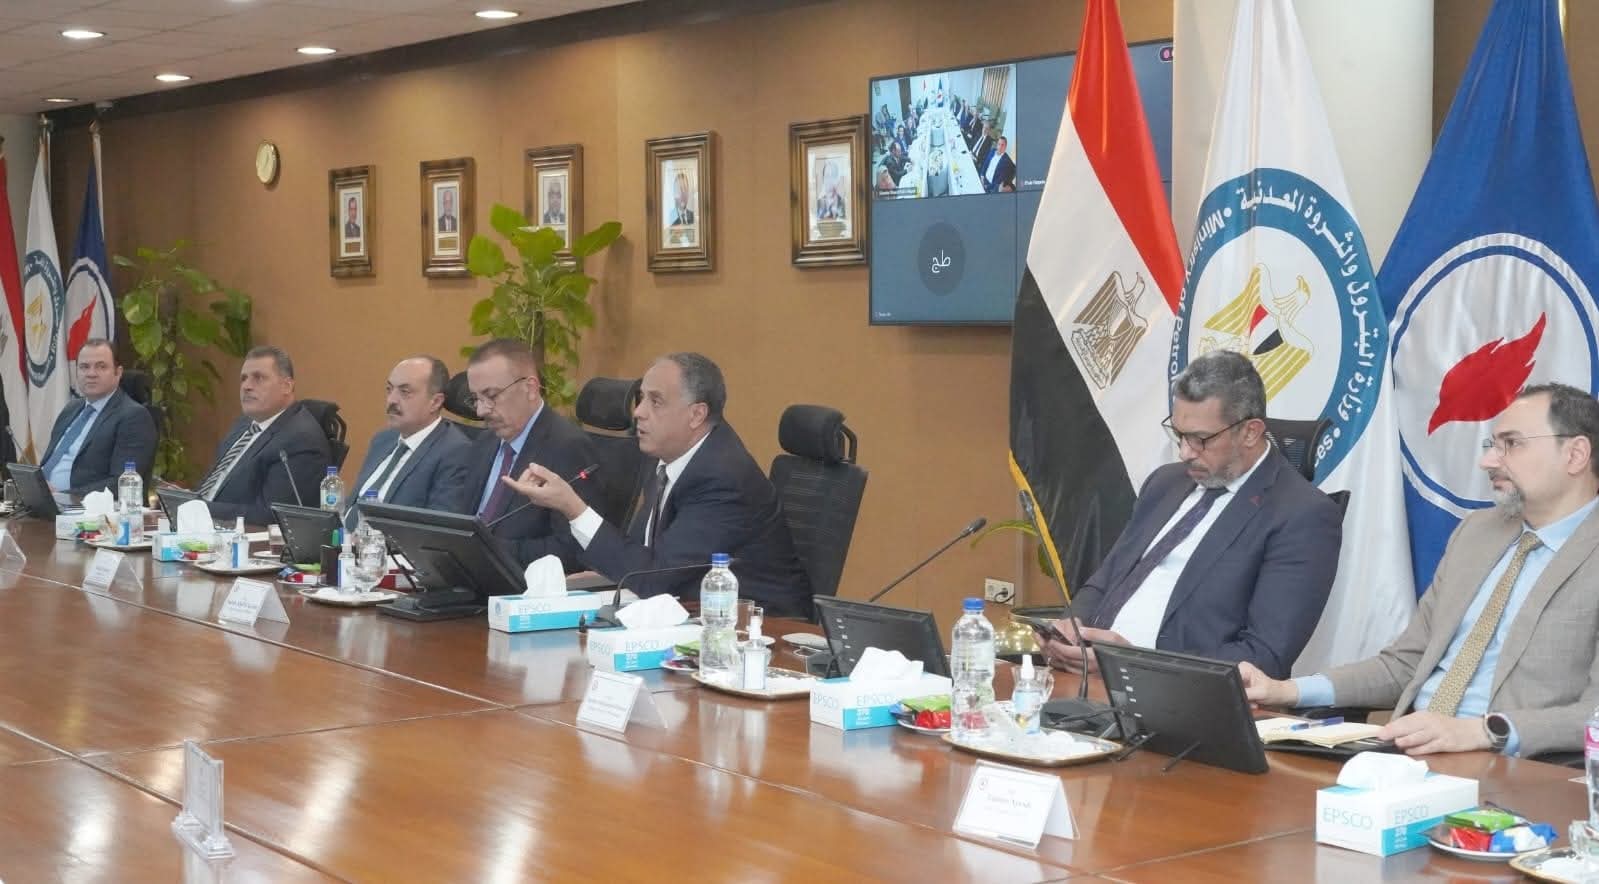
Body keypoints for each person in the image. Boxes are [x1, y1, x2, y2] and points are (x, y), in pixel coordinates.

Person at [1241, 383, 1599, 758]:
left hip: (1514, 767)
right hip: (1409, 753)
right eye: (1491, 445)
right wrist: (1285, 690)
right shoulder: (1477, 533)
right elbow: (1405, 664)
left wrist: (1482, 731)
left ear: (1575, 454)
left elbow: (1592, 714)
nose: (1488, 461)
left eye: (1511, 443)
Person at [1040, 350, 1341, 679]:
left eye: (1200, 440)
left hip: (1174, 694)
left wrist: (1133, 663)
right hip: (1086, 677)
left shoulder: (1302, 515)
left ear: (1250, 432)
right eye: (1179, 434)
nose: (1184, 453)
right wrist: (1069, 630)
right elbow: (1105, 580)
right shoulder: (1165, 483)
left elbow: (1264, 656)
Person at [501, 352, 813, 618]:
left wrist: (573, 508)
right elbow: (644, 557)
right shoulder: (665, 455)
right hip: (688, 610)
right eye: (641, 398)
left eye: (656, 401)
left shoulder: (723, 477)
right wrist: (599, 576)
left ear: (696, 414)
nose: (638, 412)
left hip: (761, 631)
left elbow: (653, 579)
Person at [457, 338, 600, 570]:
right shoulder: (485, 443)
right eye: (476, 399)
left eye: (491, 396)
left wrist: (489, 551)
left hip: (521, 582)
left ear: (530, 388)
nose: (481, 411)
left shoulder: (568, 447)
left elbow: (575, 548)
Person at [196, 346, 332, 525]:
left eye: (258, 378)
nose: (246, 386)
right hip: (201, 526)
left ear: (287, 386)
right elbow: (214, 484)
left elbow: (271, 514)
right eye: (243, 378)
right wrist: (181, 500)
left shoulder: (301, 440)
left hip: (242, 536)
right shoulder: (244, 424)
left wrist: (200, 508)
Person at [346, 356, 471, 515]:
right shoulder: (383, 439)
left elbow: (437, 525)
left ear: (435, 402)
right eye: (389, 389)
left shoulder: (455, 452)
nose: (391, 400)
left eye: (405, 392)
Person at [39, 338, 157, 496]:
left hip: (83, 508)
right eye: (84, 367)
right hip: (42, 501)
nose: (91, 374)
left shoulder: (134, 417)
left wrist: (63, 496)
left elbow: (121, 483)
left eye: (101, 367)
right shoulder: (71, 409)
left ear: (118, 373)